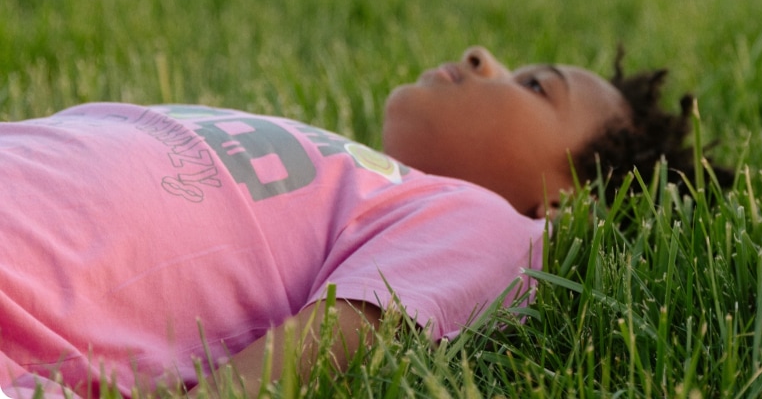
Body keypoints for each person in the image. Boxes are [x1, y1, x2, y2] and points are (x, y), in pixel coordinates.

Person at [0, 45, 705, 398]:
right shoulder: (356, 175)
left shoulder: (485, 224)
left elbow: (329, 338)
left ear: (560, 203)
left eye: (532, 85)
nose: (481, 57)